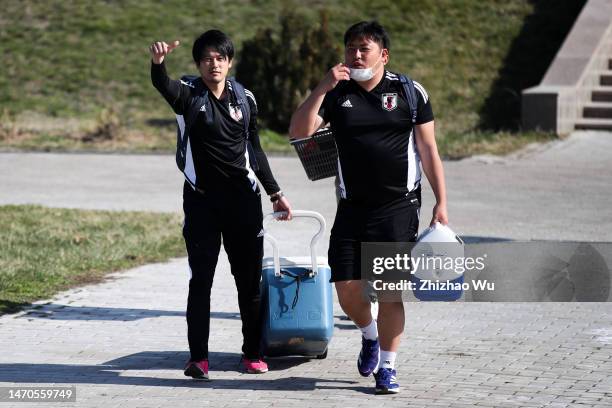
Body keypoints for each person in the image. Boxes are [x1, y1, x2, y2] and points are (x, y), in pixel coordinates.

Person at [289, 21, 448, 394]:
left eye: (364, 48)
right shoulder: (337, 92)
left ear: (383, 55)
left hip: (398, 206)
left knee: (391, 291)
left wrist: (442, 201)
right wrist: (322, 86)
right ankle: (370, 335)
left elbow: (428, 150)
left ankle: (388, 368)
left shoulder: (409, 92)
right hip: (351, 207)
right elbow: (299, 132)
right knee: (347, 289)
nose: (355, 55)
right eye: (350, 49)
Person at [149, 30, 292, 380]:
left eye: (220, 57)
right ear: (198, 64)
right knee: (201, 280)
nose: (214, 63)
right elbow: (163, 85)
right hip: (202, 204)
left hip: (244, 202)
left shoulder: (245, 98)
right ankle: (198, 358)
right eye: (207, 58)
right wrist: (158, 63)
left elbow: (255, 151)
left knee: (249, 282)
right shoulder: (188, 94)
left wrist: (275, 192)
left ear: (229, 62)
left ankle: (253, 354)